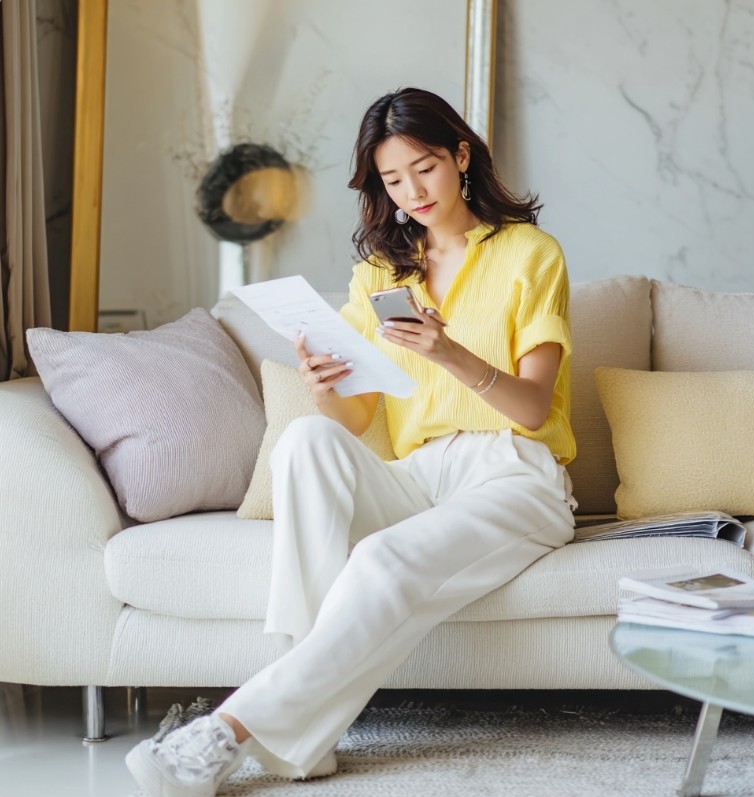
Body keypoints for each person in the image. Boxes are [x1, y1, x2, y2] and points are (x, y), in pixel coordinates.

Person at [126, 86, 578, 797]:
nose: (412, 192)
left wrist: (450, 352)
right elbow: (354, 421)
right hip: (420, 474)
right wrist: (322, 382)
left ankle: (228, 730)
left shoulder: (531, 253)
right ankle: (312, 735)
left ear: (461, 155)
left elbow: (531, 407)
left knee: (381, 558)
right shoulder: (380, 273)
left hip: (516, 474)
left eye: (423, 168)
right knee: (304, 441)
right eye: (393, 181)